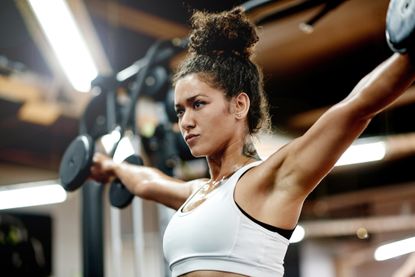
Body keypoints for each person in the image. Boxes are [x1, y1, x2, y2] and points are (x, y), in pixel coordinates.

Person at [90, 6, 415, 277]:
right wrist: (111, 166)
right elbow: (147, 182)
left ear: (239, 105)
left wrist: (407, 57)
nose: (186, 121)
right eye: (180, 110)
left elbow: (355, 108)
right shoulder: (196, 194)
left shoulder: (269, 180)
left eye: (198, 104)